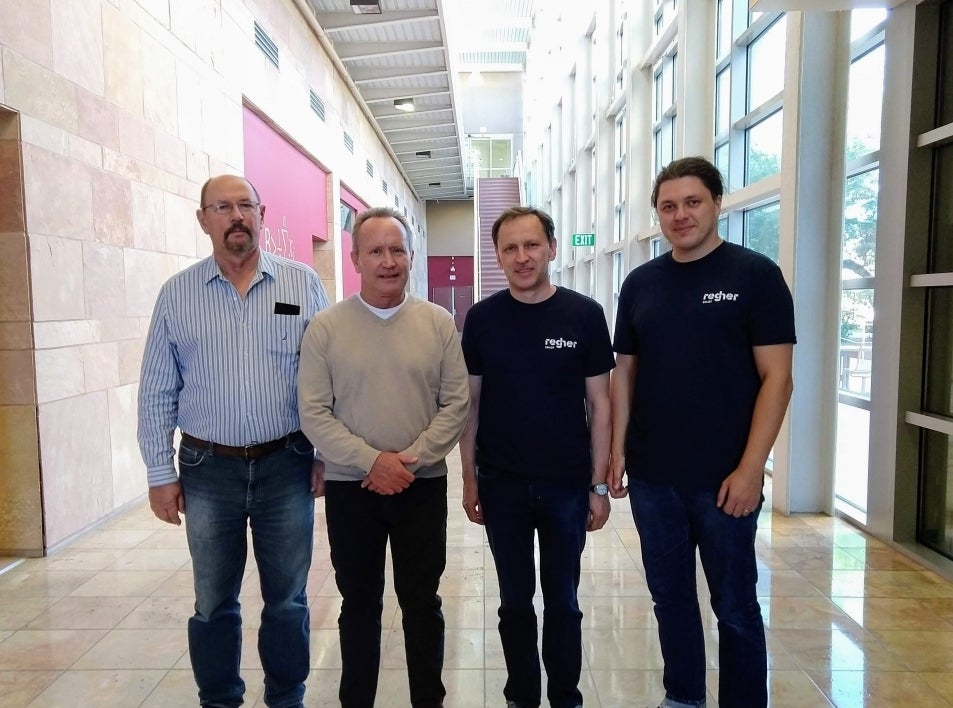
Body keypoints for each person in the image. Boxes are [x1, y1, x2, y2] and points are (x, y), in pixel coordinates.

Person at [137, 174, 330, 708]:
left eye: (246, 205)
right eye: (222, 207)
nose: (236, 216)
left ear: (262, 214)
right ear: (204, 220)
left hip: (286, 463)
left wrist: (325, 454)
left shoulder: (302, 285)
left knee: (288, 600)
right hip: (206, 469)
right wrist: (160, 474)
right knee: (213, 601)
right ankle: (219, 699)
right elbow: (157, 389)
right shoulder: (177, 295)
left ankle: (286, 697)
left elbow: (326, 379)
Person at [610, 156, 795, 708]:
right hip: (653, 477)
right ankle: (683, 696)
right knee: (670, 597)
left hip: (724, 479)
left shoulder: (755, 276)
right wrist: (618, 450)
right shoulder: (641, 283)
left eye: (692, 202)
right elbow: (626, 374)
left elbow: (778, 379)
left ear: (717, 203)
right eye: (668, 206)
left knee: (735, 604)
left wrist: (750, 469)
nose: (680, 215)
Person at [297, 206, 469, 708]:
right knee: (359, 605)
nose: (388, 261)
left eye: (397, 250)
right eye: (376, 251)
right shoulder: (326, 328)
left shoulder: (438, 323)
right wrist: (372, 461)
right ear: (355, 259)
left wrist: (408, 459)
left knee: (422, 603)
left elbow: (456, 403)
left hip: (421, 486)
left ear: (411, 255)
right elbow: (313, 411)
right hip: (354, 490)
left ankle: (427, 700)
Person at [460, 206, 615, 708]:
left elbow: (601, 404)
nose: (522, 257)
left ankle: (565, 697)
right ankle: (521, 697)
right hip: (502, 483)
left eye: (531, 245)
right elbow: (471, 406)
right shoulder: (482, 320)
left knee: (564, 604)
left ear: (551, 247)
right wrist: (468, 479)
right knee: (514, 604)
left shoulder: (584, 315)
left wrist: (597, 485)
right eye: (510, 248)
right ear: (498, 256)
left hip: (566, 487)